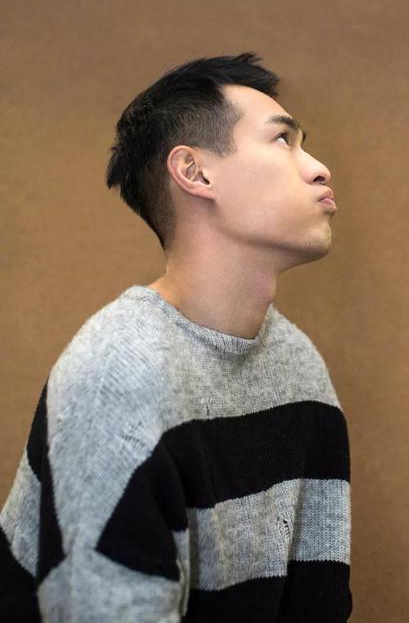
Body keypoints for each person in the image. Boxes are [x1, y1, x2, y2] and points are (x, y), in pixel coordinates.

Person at [0, 52, 352, 621]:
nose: (318, 169)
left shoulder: (297, 366)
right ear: (195, 172)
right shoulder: (117, 374)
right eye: (282, 141)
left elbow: (317, 600)